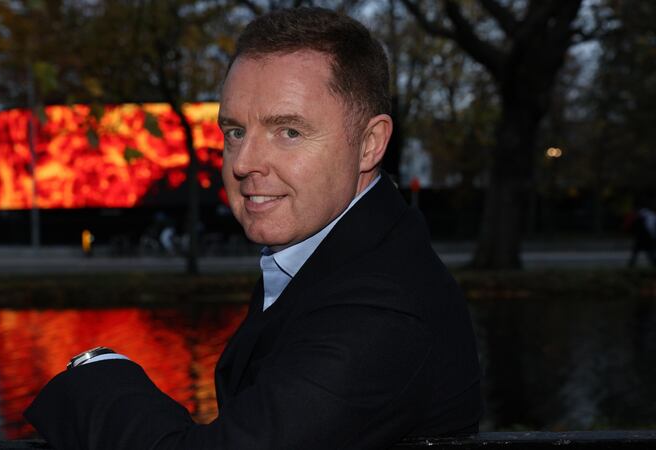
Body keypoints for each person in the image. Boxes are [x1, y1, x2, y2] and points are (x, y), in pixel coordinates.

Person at [25, 7, 482, 449]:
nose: (242, 163)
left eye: (289, 132)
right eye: (234, 132)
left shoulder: (382, 309)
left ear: (370, 144)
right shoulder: (335, 254)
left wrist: (97, 371)